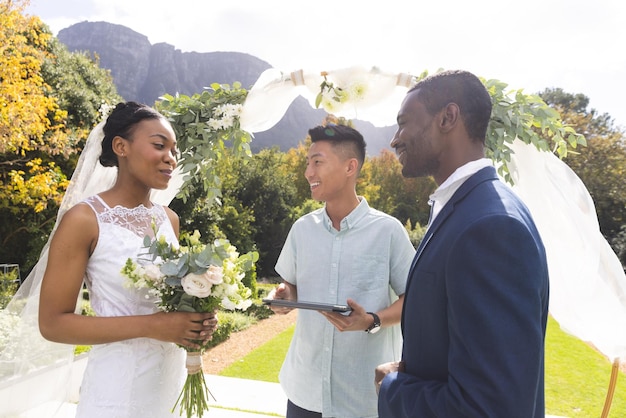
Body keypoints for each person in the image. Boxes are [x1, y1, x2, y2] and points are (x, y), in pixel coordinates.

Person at [375, 70, 549, 417]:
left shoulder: (491, 227)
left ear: (448, 118)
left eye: (404, 122)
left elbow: (490, 408)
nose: (395, 140)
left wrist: (392, 387)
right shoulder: (469, 208)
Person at [37, 101, 218, 417]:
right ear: (121, 146)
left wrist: (196, 318)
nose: (170, 158)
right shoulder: (84, 220)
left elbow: (168, 301)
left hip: (169, 386)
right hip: (117, 393)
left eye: (174, 150)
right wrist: (153, 325)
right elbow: (52, 324)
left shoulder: (169, 219)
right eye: (159, 145)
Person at [267, 123, 416, 418]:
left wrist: (372, 320)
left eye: (317, 162)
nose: (309, 172)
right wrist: (283, 295)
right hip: (304, 392)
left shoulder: (388, 231)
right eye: (308, 163)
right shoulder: (302, 229)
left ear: (350, 167)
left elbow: (414, 299)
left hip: (362, 398)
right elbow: (290, 285)